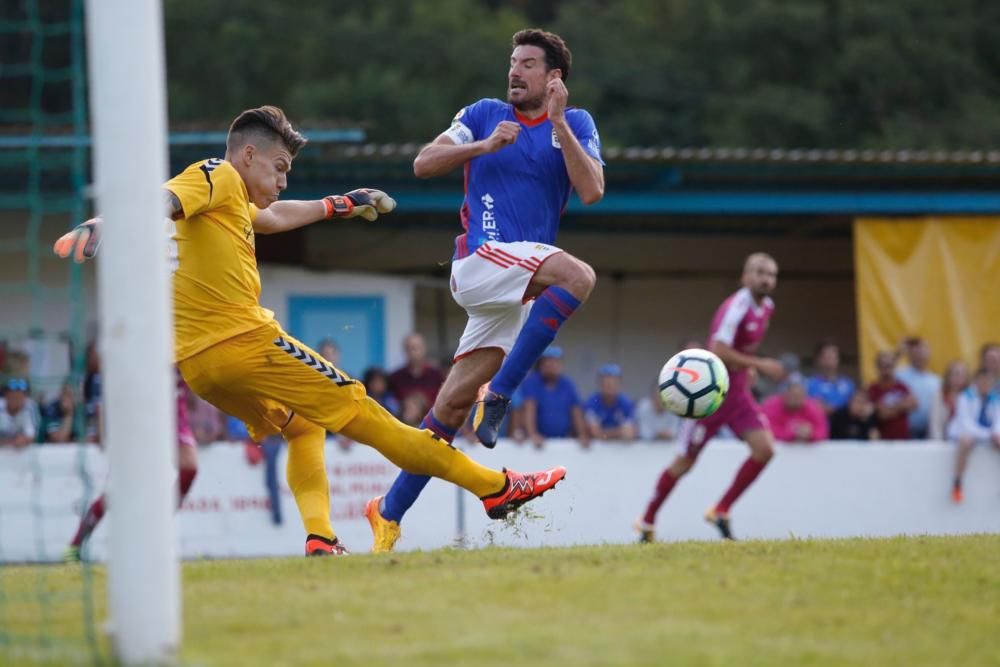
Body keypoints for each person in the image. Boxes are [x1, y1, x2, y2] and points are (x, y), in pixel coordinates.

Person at [55, 105, 565, 556]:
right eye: (279, 168)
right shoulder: (215, 174)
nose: (282, 181)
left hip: (200, 370)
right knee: (369, 416)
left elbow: (272, 216)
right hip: (246, 343)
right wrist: (107, 222)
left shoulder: (227, 202)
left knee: (302, 427)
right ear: (248, 155)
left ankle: (320, 538)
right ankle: (494, 487)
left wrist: (340, 203)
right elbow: (162, 198)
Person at [366, 29, 602, 552]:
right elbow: (423, 163)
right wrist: (484, 144)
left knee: (448, 409)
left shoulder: (576, 123)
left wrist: (560, 122)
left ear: (554, 77)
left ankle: (387, 512)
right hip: (479, 261)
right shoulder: (482, 113)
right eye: (512, 63)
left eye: (528, 64)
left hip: (514, 284)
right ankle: (498, 396)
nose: (514, 72)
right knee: (579, 277)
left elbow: (591, 191)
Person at [637, 253, 785, 542]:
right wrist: (760, 365)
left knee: (764, 449)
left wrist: (747, 368)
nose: (765, 278)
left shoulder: (767, 307)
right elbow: (717, 349)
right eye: (758, 272)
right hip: (711, 396)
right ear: (745, 277)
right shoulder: (736, 307)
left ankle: (721, 509)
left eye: (771, 274)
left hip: (738, 393)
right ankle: (647, 520)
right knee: (685, 463)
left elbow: (741, 348)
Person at [65, 375, 199, 561]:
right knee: (115, 491)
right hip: (141, 418)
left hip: (175, 416)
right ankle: (75, 544)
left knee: (190, 468)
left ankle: (155, 534)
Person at [948, 367, 1000, 503]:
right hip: (964, 433)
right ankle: (957, 482)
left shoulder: (995, 398)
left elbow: (998, 420)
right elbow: (966, 423)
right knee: (966, 441)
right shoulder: (965, 397)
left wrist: (996, 433)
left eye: (989, 380)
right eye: (983, 380)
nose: (986, 383)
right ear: (976, 381)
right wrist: (990, 434)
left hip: (986, 434)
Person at [520, 346, 588, 447]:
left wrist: (582, 434)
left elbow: (576, 411)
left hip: (563, 439)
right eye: (548, 361)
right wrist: (533, 434)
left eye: (556, 361)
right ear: (541, 364)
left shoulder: (567, 384)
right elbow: (529, 409)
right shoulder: (532, 382)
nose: (551, 365)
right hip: (539, 441)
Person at [761, 373, 828, 443]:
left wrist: (811, 433)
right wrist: (792, 434)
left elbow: (823, 431)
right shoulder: (770, 406)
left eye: (799, 395)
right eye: (792, 395)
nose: (795, 399)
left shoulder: (813, 407)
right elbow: (766, 431)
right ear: (784, 393)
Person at [895, 337, 941, 439]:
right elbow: (885, 369)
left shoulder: (937, 381)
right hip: (907, 432)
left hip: (929, 432)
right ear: (910, 355)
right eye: (917, 351)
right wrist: (898, 354)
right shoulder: (900, 375)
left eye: (923, 351)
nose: (920, 355)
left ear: (929, 354)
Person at [867, 351, 916, 440]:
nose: (885, 369)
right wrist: (902, 406)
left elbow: (914, 403)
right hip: (883, 440)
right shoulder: (873, 389)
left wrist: (890, 408)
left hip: (903, 439)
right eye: (882, 366)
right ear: (877, 367)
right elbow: (882, 414)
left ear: (894, 366)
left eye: (888, 366)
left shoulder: (902, 387)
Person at [387, 333, 445, 408]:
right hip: (402, 419)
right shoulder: (395, 377)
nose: (414, 352)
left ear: (424, 349)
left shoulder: (437, 374)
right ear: (405, 351)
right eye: (410, 348)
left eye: (417, 347)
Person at [584, 364, 637, 441]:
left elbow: (629, 434)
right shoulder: (592, 402)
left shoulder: (626, 403)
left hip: (619, 450)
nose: (610, 385)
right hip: (597, 449)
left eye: (614, 382)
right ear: (600, 383)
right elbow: (594, 433)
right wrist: (618, 432)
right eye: (606, 382)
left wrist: (604, 433)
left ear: (620, 384)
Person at [805, 340, 855, 416]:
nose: (829, 360)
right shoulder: (809, 384)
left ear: (838, 359)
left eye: (833, 356)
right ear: (818, 359)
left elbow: (854, 407)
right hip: (821, 426)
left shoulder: (848, 384)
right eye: (826, 356)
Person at [929, 360, 970, 440]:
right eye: (955, 374)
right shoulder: (939, 396)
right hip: (942, 441)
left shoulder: (971, 397)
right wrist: (938, 445)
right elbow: (935, 424)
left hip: (964, 442)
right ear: (948, 376)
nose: (958, 378)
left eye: (962, 375)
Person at [0, 377, 37, 448]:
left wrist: (24, 440)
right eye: (13, 395)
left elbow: (32, 436)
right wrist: (10, 442)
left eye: (20, 395)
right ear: (6, 395)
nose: (16, 398)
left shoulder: (30, 407)